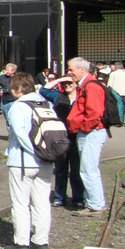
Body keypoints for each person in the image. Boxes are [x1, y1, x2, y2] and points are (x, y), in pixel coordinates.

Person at [3, 72, 52, 249]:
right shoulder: (46, 104)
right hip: (46, 161)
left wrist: (34, 151)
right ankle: (41, 242)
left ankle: (21, 243)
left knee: (21, 204)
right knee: (42, 203)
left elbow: (20, 133)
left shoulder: (18, 107)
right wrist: (44, 154)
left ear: (19, 89)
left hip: (23, 161)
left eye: (13, 88)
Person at [65, 57, 109, 216]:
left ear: (81, 69)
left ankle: (96, 205)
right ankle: (92, 202)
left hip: (91, 132)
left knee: (88, 170)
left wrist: (83, 127)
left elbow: (95, 112)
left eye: (71, 69)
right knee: (87, 169)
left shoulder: (90, 86)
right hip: (88, 132)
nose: (69, 73)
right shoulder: (86, 85)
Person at [40, 75, 84, 210]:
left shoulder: (81, 98)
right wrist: (60, 79)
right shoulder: (59, 97)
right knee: (60, 170)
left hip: (76, 135)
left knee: (76, 170)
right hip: (61, 137)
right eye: (65, 84)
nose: (67, 85)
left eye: (70, 83)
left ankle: (78, 198)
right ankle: (60, 197)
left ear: (76, 84)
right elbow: (43, 91)